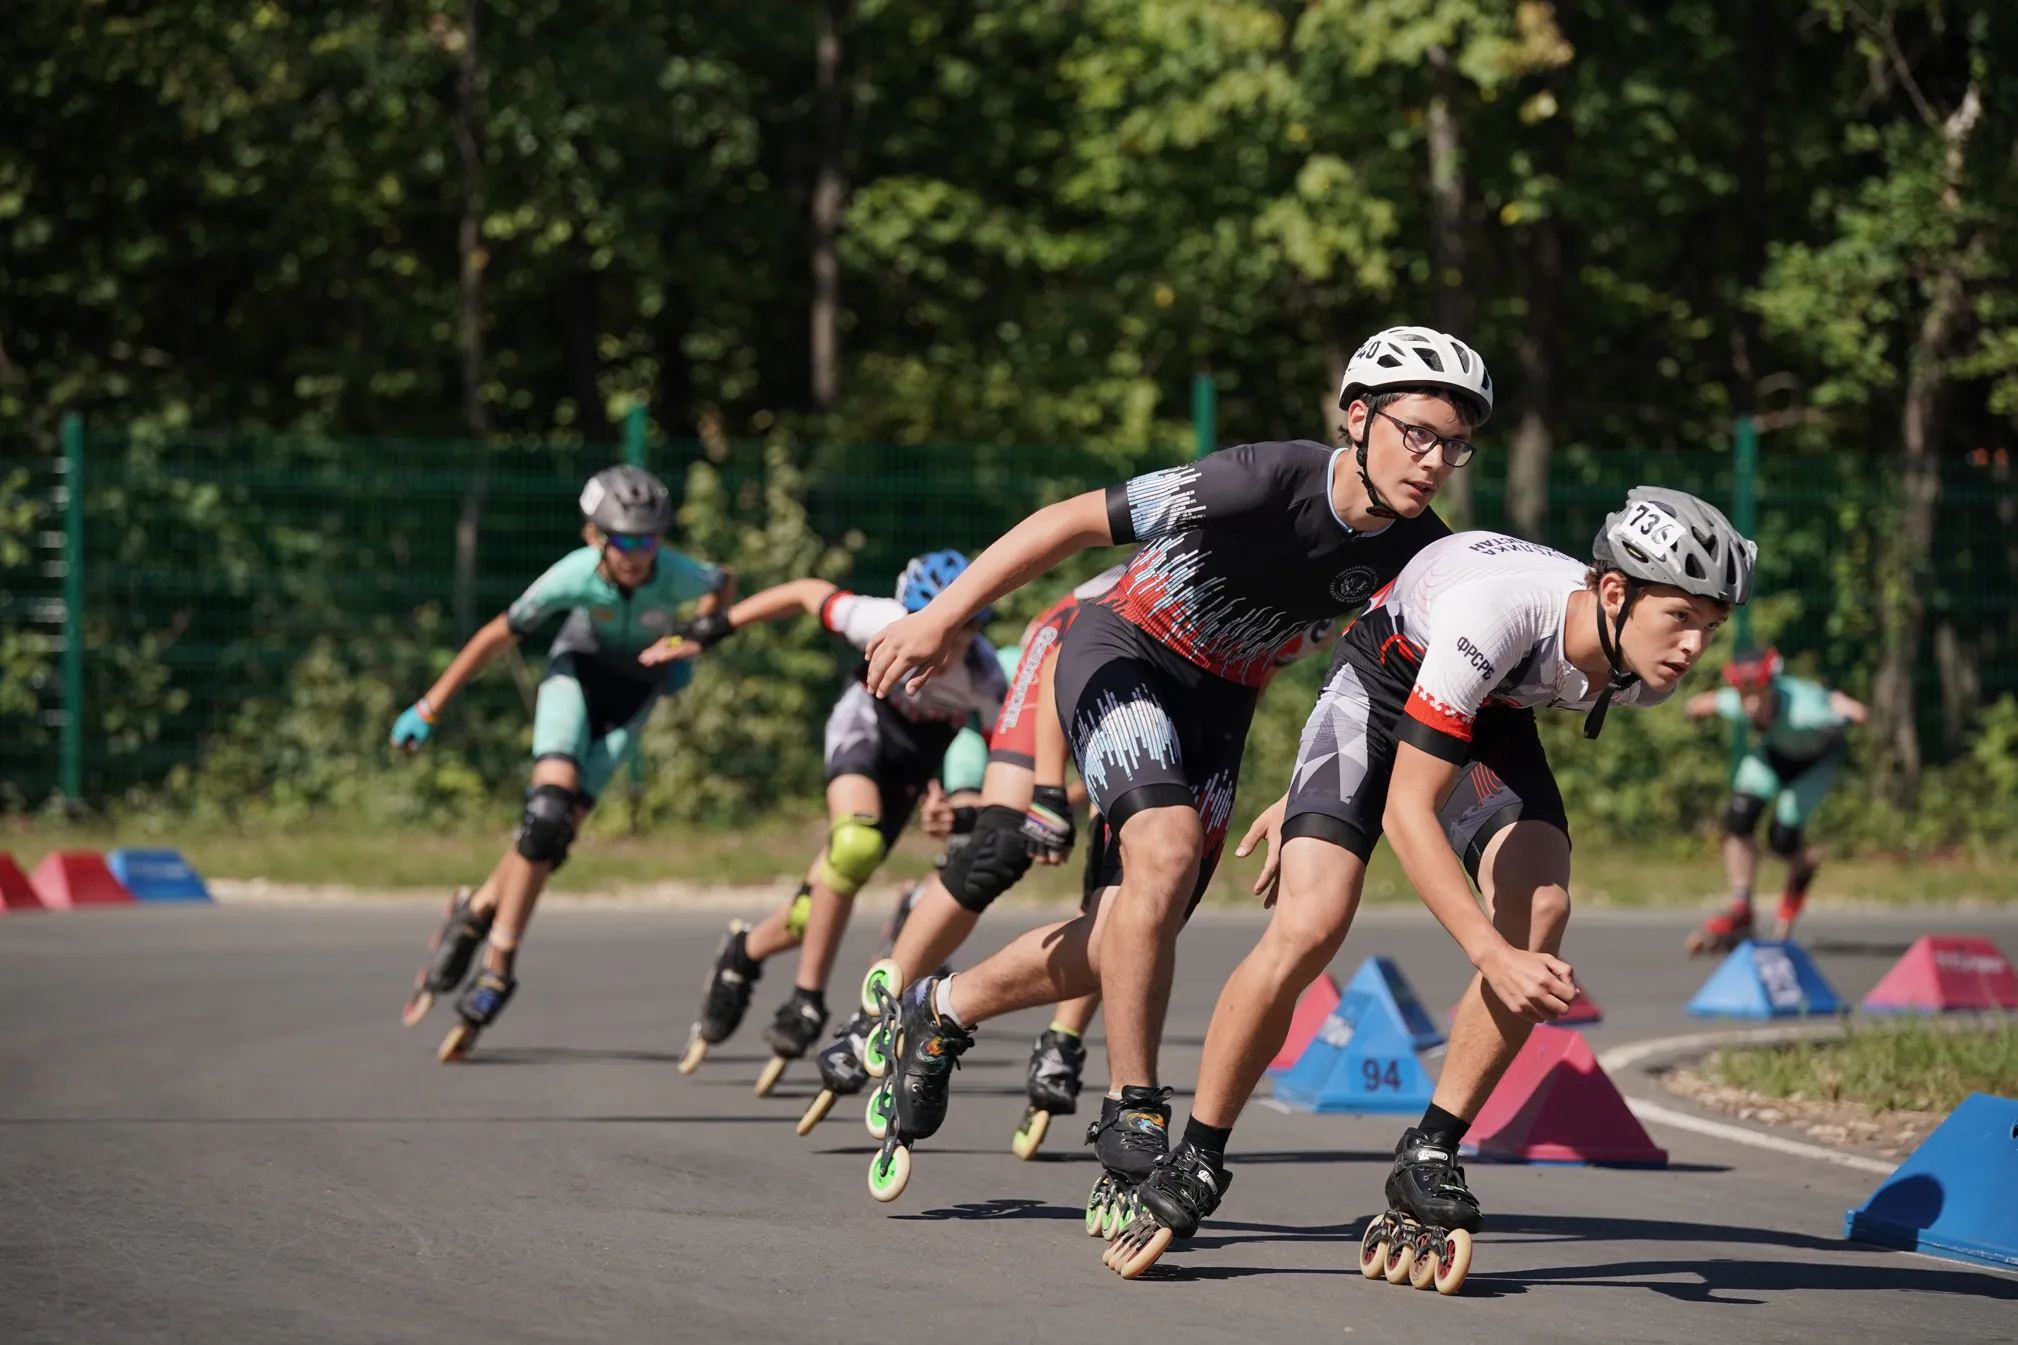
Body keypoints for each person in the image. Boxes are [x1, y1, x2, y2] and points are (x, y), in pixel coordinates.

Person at [853, 326, 1494, 1207]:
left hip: (1221, 711)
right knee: (1164, 850)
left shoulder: (1423, 555)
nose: (1434, 462)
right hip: (1125, 649)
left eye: (1455, 445)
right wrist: (941, 618)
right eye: (1417, 432)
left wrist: (1306, 788)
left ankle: (942, 1008)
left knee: (1125, 938)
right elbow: (1069, 522)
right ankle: (1134, 1108)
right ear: (1358, 417)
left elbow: (1376, 683)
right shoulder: (1261, 477)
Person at [1106, 487, 1755, 1291]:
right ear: (1615, 591)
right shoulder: (1500, 611)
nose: (1694, 646)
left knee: (1541, 907)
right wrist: (1486, 950)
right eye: (1682, 616)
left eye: (1711, 626)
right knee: (1312, 921)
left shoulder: (1641, 668)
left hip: (1486, 709)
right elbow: (1408, 810)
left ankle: (1430, 1150)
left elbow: (1468, 736)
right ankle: (1198, 1153)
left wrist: (1509, 942)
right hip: (1380, 683)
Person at [394, 466, 732, 1061]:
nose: (637, 553)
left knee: (549, 839)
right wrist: (430, 706)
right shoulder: (572, 575)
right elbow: (497, 635)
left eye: (649, 539)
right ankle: (498, 968)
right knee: (547, 816)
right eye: (622, 540)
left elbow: (723, 583)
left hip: (633, 700)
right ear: (593, 535)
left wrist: (694, 638)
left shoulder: (678, 573)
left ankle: (475, 912)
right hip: (575, 677)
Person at [796, 566, 1126, 1149]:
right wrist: (1048, 791)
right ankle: (876, 1014)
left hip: (1173, 706)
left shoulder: (1296, 621)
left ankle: (1062, 1042)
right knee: (999, 846)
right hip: (1074, 655)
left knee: (1133, 893)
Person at [658, 550, 1009, 1094]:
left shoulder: (985, 677)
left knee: (816, 903)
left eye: (958, 636)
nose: (941, 650)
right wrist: (714, 627)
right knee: (854, 848)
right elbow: (804, 591)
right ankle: (807, 998)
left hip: (912, 767)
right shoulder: (878, 620)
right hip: (863, 728)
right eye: (931, 630)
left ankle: (744, 953)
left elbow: (1004, 766)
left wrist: (964, 810)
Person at [1683, 646, 1866, 952]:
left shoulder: (1807, 712)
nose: (1752, 706)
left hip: (1815, 764)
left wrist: (1847, 709)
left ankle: (1801, 871)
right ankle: (1741, 907)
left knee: (1782, 839)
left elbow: (1846, 707)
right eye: (1744, 696)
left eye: (1759, 696)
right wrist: (1693, 710)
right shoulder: (1739, 702)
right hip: (1774, 756)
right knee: (1738, 818)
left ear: (1773, 687)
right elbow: (1702, 703)